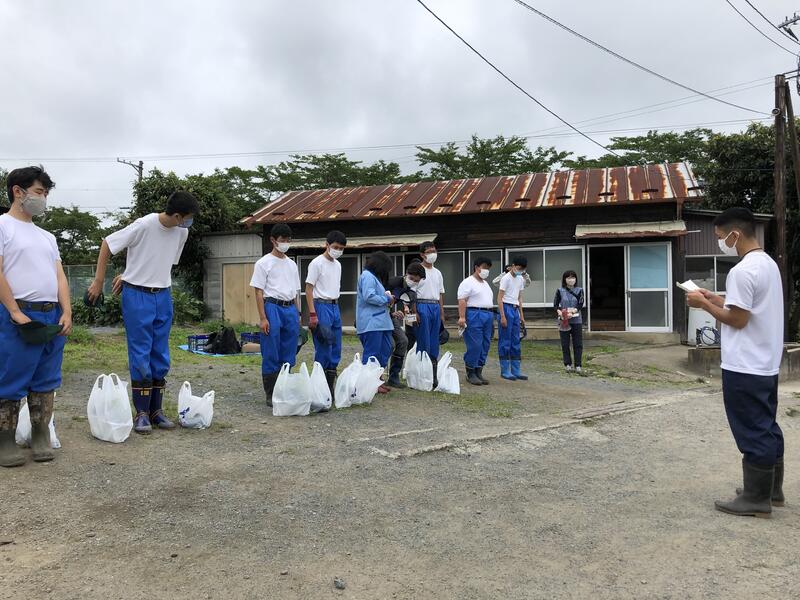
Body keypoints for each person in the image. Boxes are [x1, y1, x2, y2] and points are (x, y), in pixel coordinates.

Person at [687, 207, 785, 518]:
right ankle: (771, 490)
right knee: (766, 425)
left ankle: (756, 499)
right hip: (765, 362)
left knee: (751, 429)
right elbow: (746, 308)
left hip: (744, 364)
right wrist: (715, 298)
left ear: (735, 235)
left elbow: (738, 319)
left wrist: (703, 305)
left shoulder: (742, 271)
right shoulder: (766, 264)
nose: (721, 243)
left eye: (720, 237)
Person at [88, 191, 198, 434]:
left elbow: (160, 261)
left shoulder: (181, 232)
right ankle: (141, 413)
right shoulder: (144, 225)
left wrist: (128, 272)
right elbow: (108, 243)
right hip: (137, 296)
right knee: (140, 352)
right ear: (177, 216)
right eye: (188, 217)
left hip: (163, 294)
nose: (189, 222)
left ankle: (156, 411)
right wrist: (99, 281)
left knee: (160, 353)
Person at [0, 166, 71, 467]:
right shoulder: (3, 226)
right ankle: (5, 440)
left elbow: (59, 276)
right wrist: (15, 310)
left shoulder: (47, 237)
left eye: (45, 193)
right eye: (39, 192)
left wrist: (66, 311)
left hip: (50, 315)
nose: (43, 199)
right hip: (16, 313)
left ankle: (40, 435)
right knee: (10, 376)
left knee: (46, 377)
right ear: (18, 191)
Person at [250, 224, 302, 407]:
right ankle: (271, 393)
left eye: (288, 240)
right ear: (273, 240)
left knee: (289, 349)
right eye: (282, 240)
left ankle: (284, 388)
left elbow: (296, 291)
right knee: (271, 348)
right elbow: (258, 292)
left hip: (290, 308)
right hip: (272, 306)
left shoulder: (292, 264)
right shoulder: (263, 263)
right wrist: (263, 318)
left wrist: (298, 314)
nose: (285, 243)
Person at [306, 230, 346, 401]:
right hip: (321, 305)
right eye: (335, 247)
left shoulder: (338, 265)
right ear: (327, 245)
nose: (338, 251)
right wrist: (312, 314)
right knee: (324, 346)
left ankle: (329, 387)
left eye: (341, 248)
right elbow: (308, 288)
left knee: (336, 347)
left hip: (335, 305)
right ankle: (318, 389)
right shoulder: (316, 263)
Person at [356, 251, 395, 394]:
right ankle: (368, 383)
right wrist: (387, 299)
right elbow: (369, 296)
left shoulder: (374, 278)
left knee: (387, 348)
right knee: (372, 353)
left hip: (381, 322)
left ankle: (376, 379)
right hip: (371, 322)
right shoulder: (367, 276)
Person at [386, 262, 426, 387]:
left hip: (389, 315)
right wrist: (391, 312)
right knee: (388, 345)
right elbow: (380, 300)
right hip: (380, 316)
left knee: (403, 341)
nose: (413, 282)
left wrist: (410, 313)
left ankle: (393, 377)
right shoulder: (392, 282)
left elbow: (409, 302)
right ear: (407, 274)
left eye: (417, 281)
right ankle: (377, 377)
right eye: (412, 278)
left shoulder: (411, 289)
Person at [457, 257, 495, 386]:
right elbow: (462, 300)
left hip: (488, 314)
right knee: (475, 344)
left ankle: (479, 370)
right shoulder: (468, 282)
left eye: (488, 268)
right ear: (477, 267)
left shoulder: (485, 284)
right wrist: (462, 317)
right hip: (474, 313)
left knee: (485, 344)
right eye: (484, 267)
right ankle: (470, 371)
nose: (486, 270)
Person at [415, 241, 445, 389]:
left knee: (434, 342)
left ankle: (433, 376)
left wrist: (442, 313)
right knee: (423, 341)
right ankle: (421, 375)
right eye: (429, 252)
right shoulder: (417, 270)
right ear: (422, 255)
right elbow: (411, 292)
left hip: (435, 306)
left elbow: (440, 294)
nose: (433, 254)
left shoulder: (438, 272)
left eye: (434, 251)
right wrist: (414, 311)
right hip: (422, 305)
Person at [497, 256, 528, 381]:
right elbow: (499, 298)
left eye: (523, 269)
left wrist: (522, 316)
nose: (520, 271)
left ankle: (516, 370)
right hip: (506, 307)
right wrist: (502, 316)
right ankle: (505, 370)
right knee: (505, 341)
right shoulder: (505, 278)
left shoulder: (520, 279)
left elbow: (519, 298)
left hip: (515, 310)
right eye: (519, 268)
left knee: (516, 341)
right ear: (513, 266)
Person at [554, 270, 584, 374]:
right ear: (564, 279)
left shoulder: (580, 290)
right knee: (565, 343)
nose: (571, 280)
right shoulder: (560, 290)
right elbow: (556, 304)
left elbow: (580, 303)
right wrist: (560, 312)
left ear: (576, 279)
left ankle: (578, 365)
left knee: (578, 343)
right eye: (568, 278)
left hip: (576, 320)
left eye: (573, 277)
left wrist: (573, 311)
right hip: (564, 320)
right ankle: (567, 364)